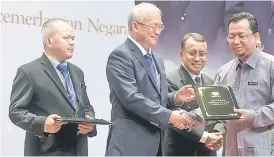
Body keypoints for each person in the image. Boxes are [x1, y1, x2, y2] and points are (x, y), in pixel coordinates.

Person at [104, 2, 198, 156]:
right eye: (153, 26)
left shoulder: (157, 59)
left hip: (157, 145)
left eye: (160, 26)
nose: (157, 31)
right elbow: (131, 98)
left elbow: (155, 99)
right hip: (130, 146)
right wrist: (169, 116)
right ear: (135, 26)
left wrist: (175, 97)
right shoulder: (121, 56)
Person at [8, 18, 97, 156]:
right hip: (46, 151)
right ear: (49, 41)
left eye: (73, 38)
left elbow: (86, 106)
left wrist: (90, 122)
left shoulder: (77, 72)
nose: (72, 42)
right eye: (66, 38)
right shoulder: (29, 72)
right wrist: (44, 124)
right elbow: (16, 112)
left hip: (79, 151)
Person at [214, 12, 274, 156]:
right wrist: (216, 131)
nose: (236, 41)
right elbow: (217, 110)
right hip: (232, 151)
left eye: (242, 36)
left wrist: (253, 116)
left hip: (265, 151)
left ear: (256, 37)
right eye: (231, 37)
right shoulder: (223, 72)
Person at [164, 33, 225, 156]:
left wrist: (218, 135)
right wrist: (206, 137)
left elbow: (220, 115)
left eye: (202, 54)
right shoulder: (169, 80)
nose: (197, 58)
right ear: (181, 54)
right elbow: (174, 119)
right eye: (192, 53)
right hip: (180, 152)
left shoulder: (211, 82)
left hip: (208, 152)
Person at [134, 0, 232, 77]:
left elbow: (231, 19)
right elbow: (144, 16)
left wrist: (216, 61)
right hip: (162, 64)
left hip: (210, 65)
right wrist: (160, 58)